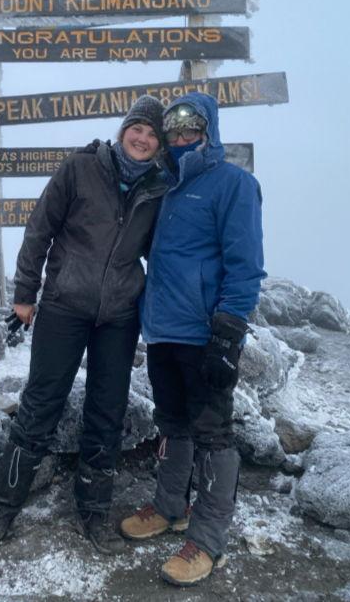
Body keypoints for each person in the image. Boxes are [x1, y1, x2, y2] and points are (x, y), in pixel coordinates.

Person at [0, 96, 169, 557]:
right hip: (63, 305)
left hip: (119, 315)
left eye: (153, 135)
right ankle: (2, 509)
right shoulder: (80, 168)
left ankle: (94, 513)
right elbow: (40, 227)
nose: (142, 139)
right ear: (124, 130)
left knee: (107, 410)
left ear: (159, 146)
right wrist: (24, 294)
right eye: (137, 128)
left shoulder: (159, 189)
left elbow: (161, 253)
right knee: (40, 405)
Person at [119, 91, 266, 587]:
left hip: (206, 335)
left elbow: (245, 265)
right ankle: (169, 507)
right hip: (163, 331)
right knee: (171, 423)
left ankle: (208, 539)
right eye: (174, 130)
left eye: (191, 128)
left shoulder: (234, 184)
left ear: (209, 130)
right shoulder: (165, 186)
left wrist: (228, 331)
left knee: (212, 433)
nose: (182, 138)